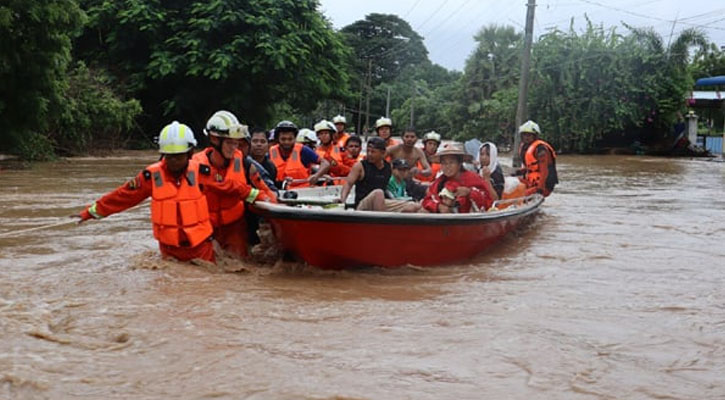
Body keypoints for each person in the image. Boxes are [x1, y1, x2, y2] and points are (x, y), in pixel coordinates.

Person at [75, 121, 268, 263]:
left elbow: (230, 186)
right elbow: (123, 197)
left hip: (201, 249)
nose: (174, 161)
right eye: (170, 156)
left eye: (179, 156)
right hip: (169, 251)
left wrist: (258, 196)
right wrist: (91, 212)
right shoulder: (151, 177)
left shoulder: (201, 172)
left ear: (190, 153)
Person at [192, 111, 255, 258]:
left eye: (236, 143)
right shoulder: (193, 166)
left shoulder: (245, 163)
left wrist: (273, 200)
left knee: (241, 264)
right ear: (214, 139)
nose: (234, 148)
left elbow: (263, 187)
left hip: (234, 226)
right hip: (206, 227)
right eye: (229, 142)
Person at [421, 142, 497, 213]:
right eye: (444, 163)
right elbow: (428, 199)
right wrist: (438, 206)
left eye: (451, 162)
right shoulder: (440, 181)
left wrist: (469, 192)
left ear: (459, 164)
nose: (447, 167)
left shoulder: (473, 178)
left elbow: (488, 200)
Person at [269, 120, 329, 189]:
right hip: (280, 191)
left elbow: (325, 163)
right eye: (283, 139)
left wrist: (317, 175)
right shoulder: (271, 152)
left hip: (303, 192)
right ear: (278, 139)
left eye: (290, 139)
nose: (287, 142)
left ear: (295, 139)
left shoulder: (303, 150)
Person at [340, 137, 392, 211]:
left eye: (373, 152)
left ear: (383, 153)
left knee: (411, 206)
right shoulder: (360, 166)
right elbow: (348, 184)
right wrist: (343, 200)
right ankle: (380, 221)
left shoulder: (388, 166)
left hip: (382, 202)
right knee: (378, 193)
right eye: (368, 151)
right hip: (363, 204)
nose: (369, 154)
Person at [515, 120, 558, 197]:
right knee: (511, 184)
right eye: (524, 135)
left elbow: (544, 171)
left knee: (520, 196)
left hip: (544, 185)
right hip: (532, 181)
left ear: (535, 136)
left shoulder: (541, 150)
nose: (526, 137)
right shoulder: (525, 147)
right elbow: (532, 167)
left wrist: (540, 189)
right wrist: (519, 172)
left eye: (529, 135)